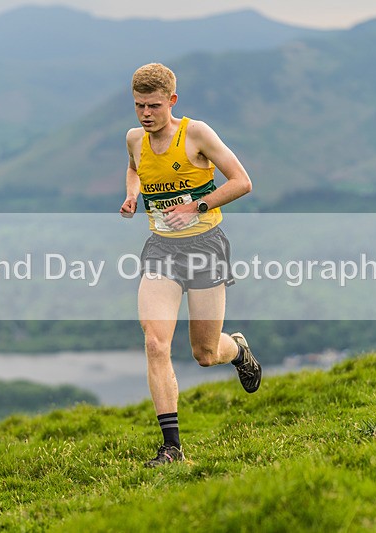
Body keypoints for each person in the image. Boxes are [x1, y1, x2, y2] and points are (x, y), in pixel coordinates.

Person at [119, 63, 262, 467]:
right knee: (155, 342)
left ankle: (237, 351)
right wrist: (132, 195)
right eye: (139, 106)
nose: (146, 114)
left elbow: (241, 181)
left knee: (204, 352)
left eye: (154, 106)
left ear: (172, 102)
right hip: (161, 250)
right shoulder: (134, 140)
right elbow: (134, 168)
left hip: (205, 247)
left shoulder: (196, 133)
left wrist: (196, 205)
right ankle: (172, 447)